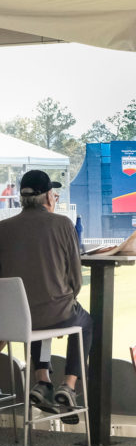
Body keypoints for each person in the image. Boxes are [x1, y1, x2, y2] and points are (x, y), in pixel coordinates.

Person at [0, 169, 91, 423]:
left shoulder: (3, 229)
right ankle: (69, 385)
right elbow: (75, 279)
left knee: (34, 313)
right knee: (84, 322)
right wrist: (67, 305)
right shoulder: (62, 224)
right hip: (54, 313)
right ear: (49, 197)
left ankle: (43, 382)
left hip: (16, 320)